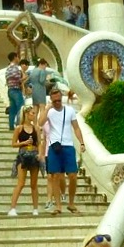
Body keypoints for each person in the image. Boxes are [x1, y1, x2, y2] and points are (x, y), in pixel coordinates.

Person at [43, 87, 86, 215]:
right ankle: (58, 205)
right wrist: (47, 108)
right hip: (54, 146)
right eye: (54, 100)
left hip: (68, 145)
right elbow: (40, 123)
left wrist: (82, 142)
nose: (57, 102)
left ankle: (71, 203)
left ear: (61, 99)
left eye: (58, 100)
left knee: (73, 175)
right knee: (55, 175)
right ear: (51, 100)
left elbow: (76, 128)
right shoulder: (49, 111)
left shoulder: (69, 110)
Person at [7, 105, 42, 216]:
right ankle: (12, 208)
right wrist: (24, 143)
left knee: (34, 184)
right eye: (32, 113)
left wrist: (40, 154)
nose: (33, 115)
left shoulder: (36, 128)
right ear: (26, 114)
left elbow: (39, 143)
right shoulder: (19, 128)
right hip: (23, 155)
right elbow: (13, 143)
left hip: (34, 154)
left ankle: (35, 208)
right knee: (21, 183)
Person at [4, 51, 24, 131]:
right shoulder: (15, 68)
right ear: (15, 57)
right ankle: (19, 125)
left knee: (12, 109)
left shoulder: (8, 68)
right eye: (17, 57)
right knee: (21, 108)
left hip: (10, 90)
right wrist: (25, 77)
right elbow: (18, 79)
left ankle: (11, 126)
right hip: (16, 89)